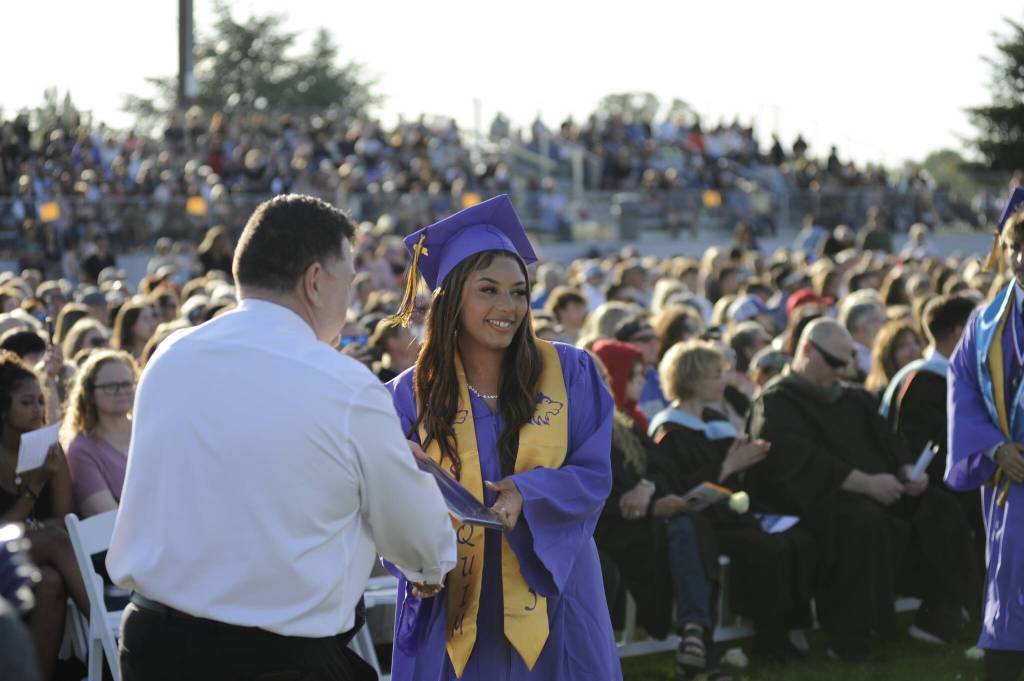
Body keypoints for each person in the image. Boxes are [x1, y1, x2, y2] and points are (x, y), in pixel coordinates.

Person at [107, 194, 456, 681]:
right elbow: (417, 537)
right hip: (276, 658)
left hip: (153, 646)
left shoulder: (169, 356)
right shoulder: (345, 386)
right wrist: (430, 565)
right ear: (315, 281)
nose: (349, 301)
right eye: (347, 281)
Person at [385, 194, 621, 680]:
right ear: (452, 298)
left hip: (554, 592)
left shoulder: (570, 374)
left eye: (518, 292)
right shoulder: (408, 397)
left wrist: (527, 494)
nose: (507, 307)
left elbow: (594, 475)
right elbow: (388, 508)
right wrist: (414, 561)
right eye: (488, 290)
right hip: (454, 599)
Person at [747, 318, 972, 660]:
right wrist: (865, 484)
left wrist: (907, 469)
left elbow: (889, 439)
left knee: (939, 508)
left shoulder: (853, 397)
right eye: (834, 362)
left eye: (847, 361)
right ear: (806, 350)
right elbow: (797, 461)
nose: (842, 370)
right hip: (820, 498)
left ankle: (937, 616)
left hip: (879, 487)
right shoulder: (777, 401)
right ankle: (850, 640)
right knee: (862, 524)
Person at [648, 340, 813, 671]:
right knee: (765, 547)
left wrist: (751, 458)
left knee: (798, 538)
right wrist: (728, 467)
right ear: (691, 379)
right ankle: (770, 638)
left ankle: (794, 628)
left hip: (732, 513)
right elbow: (677, 489)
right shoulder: (669, 429)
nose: (723, 381)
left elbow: (737, 475)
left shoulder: (714, 419)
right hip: (703, 523)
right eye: (714, 375)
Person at [946, 189, 1024, 681]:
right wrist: (995, 448)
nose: (1022, 258)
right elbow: (963, 390)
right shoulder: (985, 323)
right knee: (1012, 581)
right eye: (1015, 247)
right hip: (1011, 478)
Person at [0, 352, 90, 680]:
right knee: (53, 541)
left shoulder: (49, 449)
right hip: (6, 554)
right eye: (26, 402)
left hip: (36, 551)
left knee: (51, 582)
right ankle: (105, 623)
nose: (38, 409)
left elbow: (63, 519)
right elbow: (3, 535)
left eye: (40, 401)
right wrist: (35, 485)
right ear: (3, 409)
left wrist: (29, 527)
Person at [61, 350, 138, 516]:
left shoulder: (147, 432)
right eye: (110, 386)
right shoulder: (81, 449)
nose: (120, 391)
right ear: (89, 394)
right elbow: (106, 516)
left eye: (127, 384)